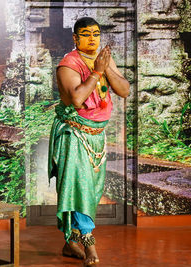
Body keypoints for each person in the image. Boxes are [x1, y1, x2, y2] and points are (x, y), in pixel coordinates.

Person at [48, 17, 129, 266]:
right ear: (75, 38)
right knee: (80, 188)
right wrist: (97, 71)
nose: (92, 38)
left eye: (96, 33)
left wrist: (105, 67)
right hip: (74, 134)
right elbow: (77, 99)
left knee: (90, 192)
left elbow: (124, 90)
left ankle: (69, 242)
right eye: (86, 34)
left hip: (97, 135)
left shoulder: (104, 59)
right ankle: (87, 240)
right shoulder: (68, 64)